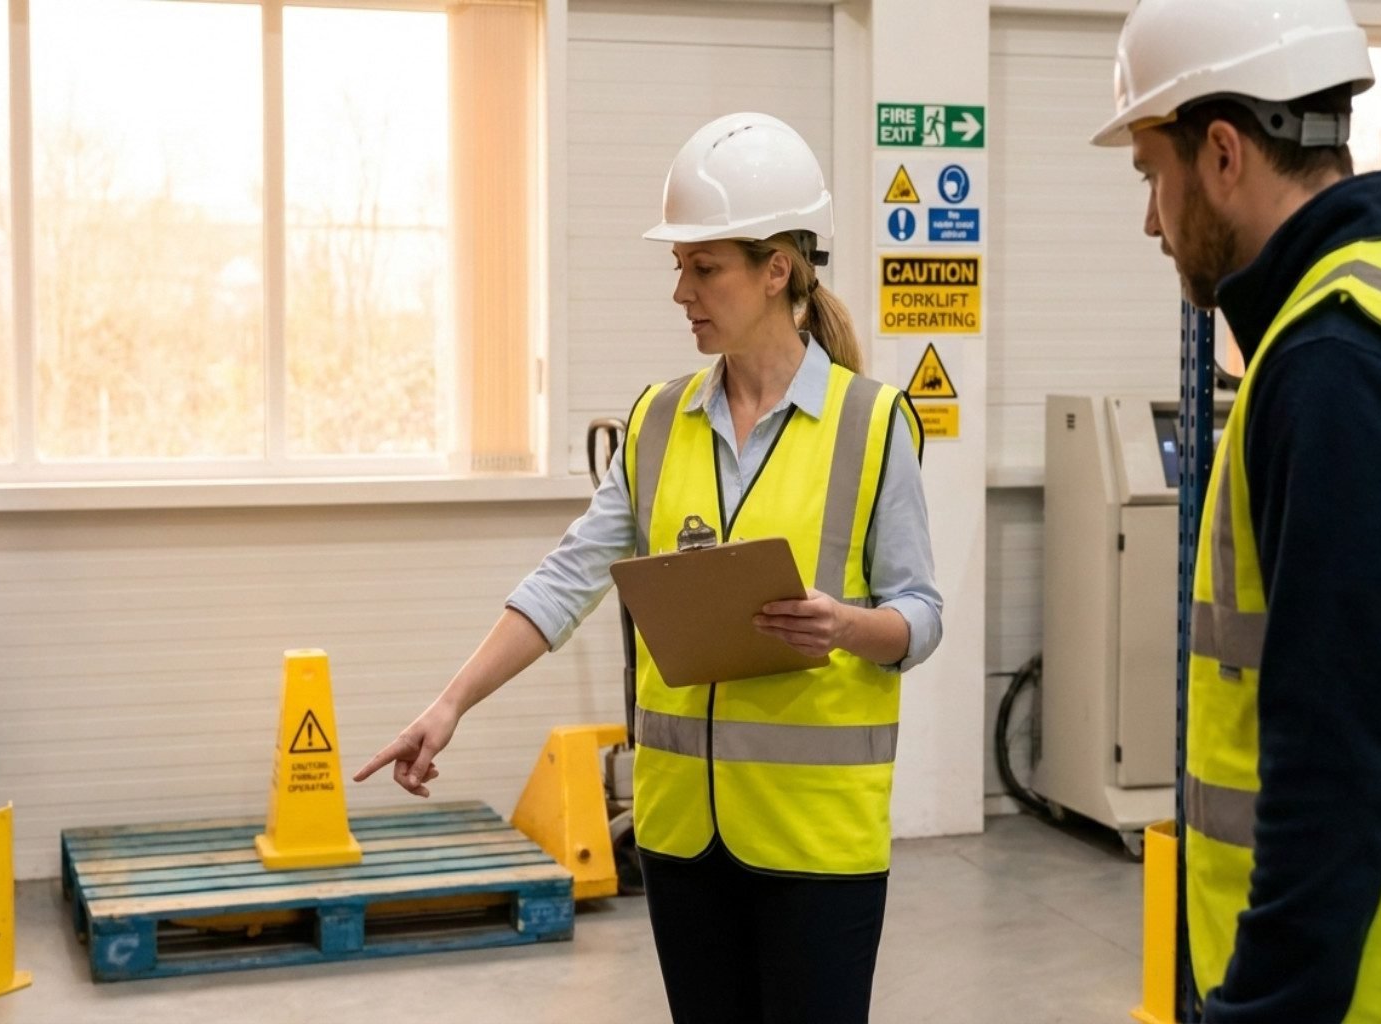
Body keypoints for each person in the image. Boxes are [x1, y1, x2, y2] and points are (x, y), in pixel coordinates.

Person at [354, 111, 942, 1023]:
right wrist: (449, 704)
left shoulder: (873, 425)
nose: (682, 292)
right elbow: (565, 581)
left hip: (818, 846)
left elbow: (922, 615)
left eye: (704, 268)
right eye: (680, 267)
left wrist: (847, 626)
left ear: (776, 269)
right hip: (681, 841)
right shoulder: (659, 423)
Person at [1092, 2, 1381, 1021]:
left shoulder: (1328, 364)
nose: (1150, 220)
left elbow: (1336, 760)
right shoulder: (1375, 303)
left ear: (1222, 152)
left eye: (1152, 176)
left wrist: (1261, 1005)